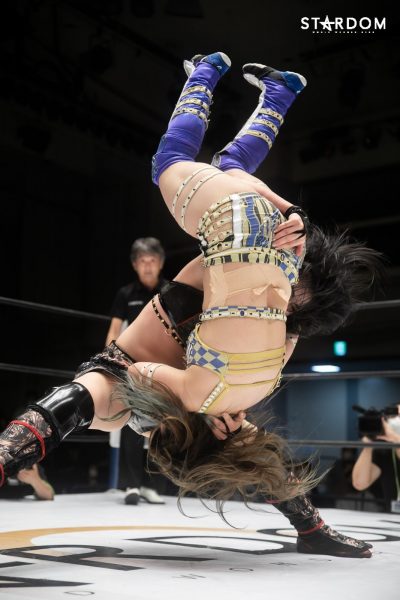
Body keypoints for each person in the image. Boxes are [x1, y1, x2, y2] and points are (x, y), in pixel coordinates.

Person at [0, 52, 380, 557]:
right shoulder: (269, 316)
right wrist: (295, 217)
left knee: (189, 168)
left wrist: (293, 216)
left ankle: (218, 76)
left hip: (140, 373)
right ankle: (311, 530)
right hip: (166, 379)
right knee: (212, 168)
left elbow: (137, 379)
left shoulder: (271, 323)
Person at [106, 237, 167, 505]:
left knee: (162, 424)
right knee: (131, 421)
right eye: (143, 261)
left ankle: (152, 486)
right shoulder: (126, 294)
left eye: (152, 260)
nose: (148, 266)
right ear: (135, 264)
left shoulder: (170, 290)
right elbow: (114, 330)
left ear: (160, 263)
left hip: (164, 364)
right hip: (131, 364)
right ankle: (131, 484)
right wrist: (109, 361)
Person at [352, 405, 400, 512]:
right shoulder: (385, 451)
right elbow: (359, 483)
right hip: (394, 518)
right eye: (393, 416)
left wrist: (396, 439)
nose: (396, 420)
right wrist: (368, 447)